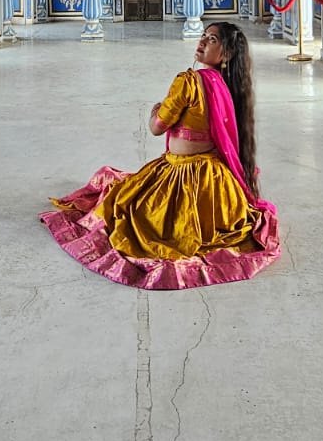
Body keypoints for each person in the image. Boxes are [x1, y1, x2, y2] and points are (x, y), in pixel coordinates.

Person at [40, 22, 280, 290]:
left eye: (211, 40)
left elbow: (156, 129)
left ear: (225, 55)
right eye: (203, 36)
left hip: (182, 177)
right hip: (216, 185)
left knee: (126, 208)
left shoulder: (188, 81)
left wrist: (155, 112)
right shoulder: (226, 86)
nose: (202, 42)